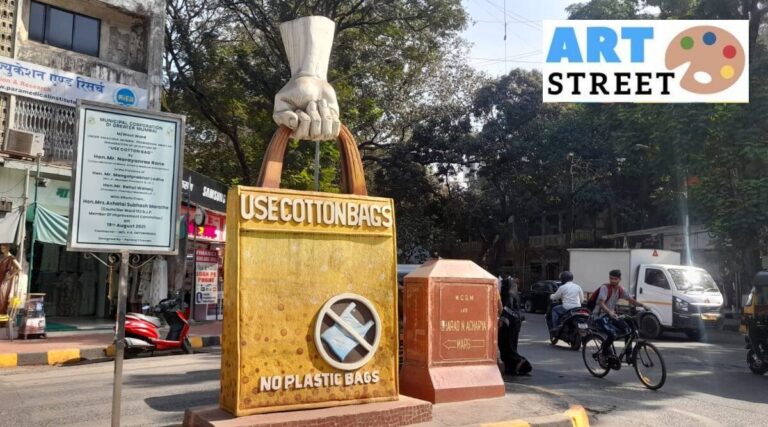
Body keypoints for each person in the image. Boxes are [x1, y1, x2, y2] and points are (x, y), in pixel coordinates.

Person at [593, 269, 647, 366]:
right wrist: (609, 311)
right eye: (611, 278)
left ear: (619, 279)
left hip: (612, 315)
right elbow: (601, 303)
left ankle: (628, 355)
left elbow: (630, 300)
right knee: (613, 334)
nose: (612, 280)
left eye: (615, 279)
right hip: (600, 316)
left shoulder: (621, 290)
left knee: (628, 330)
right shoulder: (605, 288)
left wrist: (642, 305)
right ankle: (603, 353)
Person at [498, 281, 531, 375]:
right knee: (511, 345)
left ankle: (521, 363)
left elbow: (508, 308)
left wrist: (503, 318)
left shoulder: (510, 294)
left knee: (506, 345)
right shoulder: (514, 294)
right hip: (514, 323)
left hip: (509, 323)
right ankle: (512, 367)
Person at [0, 244, 21, 314]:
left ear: (7, 248)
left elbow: (19, 268)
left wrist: (10, 277)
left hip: (5, 282)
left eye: (3, 248)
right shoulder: (4, 257)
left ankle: (2, 320)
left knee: (2, 299)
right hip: (1, 279)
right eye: (1, 248)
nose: (2, 249)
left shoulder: (11, 258)